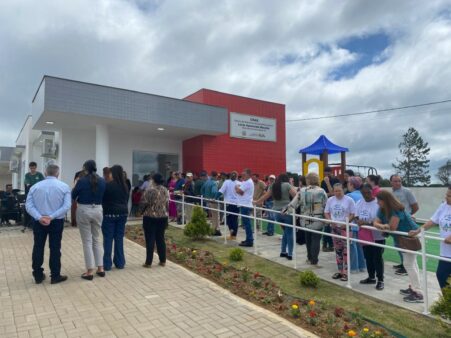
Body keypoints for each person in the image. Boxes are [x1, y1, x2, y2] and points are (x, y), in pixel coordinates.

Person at [374, 190, 423, 303]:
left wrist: (384, 226)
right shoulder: (382, 209)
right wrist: (383, 226)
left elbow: (392, 227)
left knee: (409, 264)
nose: (377, 203)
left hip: (411, 236)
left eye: (379, 201)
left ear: (385, 200)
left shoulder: (397, 209)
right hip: (402, 238)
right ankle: (413, 288)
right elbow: (375, 222)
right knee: (411, 264)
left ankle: (419, 293)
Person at [25, 164, 71, 284]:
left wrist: (39, 217)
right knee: (55, 248)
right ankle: (55, 276)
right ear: (57, 173)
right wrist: (51, 217)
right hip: (56, 221)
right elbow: (66, 206)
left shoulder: (35, 187)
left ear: (45, 173)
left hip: (39, 222)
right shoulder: (64, 187)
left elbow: (28, 205)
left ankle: (38, 275)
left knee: (38, 247)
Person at [409, 186, 451, 290]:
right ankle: (447, 303)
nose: (446, 197)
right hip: (446, 252)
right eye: (446, 194)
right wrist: (418, 230)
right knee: (441, 276)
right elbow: (432, 221)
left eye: (450, 196)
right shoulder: (444, 206)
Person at [72, 160, 106, 280]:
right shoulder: (102, 180)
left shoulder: (81, 181)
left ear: (85, 168)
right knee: (97, 239)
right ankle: (101, 268)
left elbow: (73, 195)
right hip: (98, 209)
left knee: (87, 241)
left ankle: (89, 271)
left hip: (84, 210)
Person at [285, 172, 327, 266]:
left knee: (308, 239)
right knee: (316, 239)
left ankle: (309, 257)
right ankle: (314, 260)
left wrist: (285, 211)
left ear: (308, 180)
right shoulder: (322, 191)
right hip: (318, 219)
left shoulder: (302, 191)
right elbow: (326, 205)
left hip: (305, 219)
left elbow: (294, 203)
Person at [256, 174, 297, 259]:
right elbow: (296, 196)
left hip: (276, 212)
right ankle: (290, 254)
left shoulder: (272, 185)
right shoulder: (287, 185)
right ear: (286, 179)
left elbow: (266, 196)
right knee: (289, 232)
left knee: (285, 231)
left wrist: (257, 202)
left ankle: (283, 251)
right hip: (287, 211)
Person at [354, 184, 385, 290]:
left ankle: (380, 280)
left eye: (368, 192)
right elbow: (356, 215)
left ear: (372, 191)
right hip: (365, 235)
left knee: (377, 258)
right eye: (364, 193)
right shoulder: (359, 202)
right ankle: (371, 277)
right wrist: (358, 221)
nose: (366, 195)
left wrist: (367, 223)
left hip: (377, 236)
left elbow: (382, 220)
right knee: (368, 257)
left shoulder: (378, 203)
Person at [324, 183, 356, 282]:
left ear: (343, 190)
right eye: (335, 191)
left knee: (346, 251)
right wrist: (330, 221)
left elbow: (353, 213)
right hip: (334, 228)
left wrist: (346, 222)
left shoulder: (349, 200)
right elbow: (326, 212)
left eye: (339, 191)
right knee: (338, 251)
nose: (337, 193)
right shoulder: (330, 200)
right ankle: (340, 270)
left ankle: (345, 272)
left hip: (345, 228)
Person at [102, 165, 130, 271]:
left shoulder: (108, 185)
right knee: (119, 238)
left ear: (112, 173)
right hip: (122, 214)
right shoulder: (125, 186)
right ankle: (120, 262)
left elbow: (103, 199)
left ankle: (107, 264)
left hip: (109, 214)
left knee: (108, 239)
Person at [391, 174, 419, 276]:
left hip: (405, 225)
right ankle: (403, 264)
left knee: (405, 245)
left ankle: (407, 267)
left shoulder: (407, 191)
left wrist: (408, 216)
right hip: (396, 223)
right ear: (391, 182)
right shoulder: (391, 193)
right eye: (395, 181)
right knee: (397, 244)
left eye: (399, 181)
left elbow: (415, 206)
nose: (398, 183)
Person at [140, 173, 169, 268]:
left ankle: (148, 262)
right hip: (163, 217)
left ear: (154, 180)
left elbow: (144, 203)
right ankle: (163, 260)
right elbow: (167, 203)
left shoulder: (150, 190)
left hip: (150, 217)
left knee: (150, 239)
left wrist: (141, 212)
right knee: (160, 238)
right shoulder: (165, 190)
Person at [347, 176, 366, 274]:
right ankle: (362, 266)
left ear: (352, 185)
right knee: (359, 246)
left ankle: (353, 267)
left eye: (348, 183)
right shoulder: (363, 195)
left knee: (352, 245)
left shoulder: (349, 196)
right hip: (361, 224)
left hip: (353, 224)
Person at [321, 167, 340, 252]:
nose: (327, 176)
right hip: (327, 204)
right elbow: (324, 193)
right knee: (328, 225)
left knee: (332, 225)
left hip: (335, 204)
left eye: (328, 174)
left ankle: (331, 244)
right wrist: (330, 192)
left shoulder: (336, 180)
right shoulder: (322, 181)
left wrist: (328, 183)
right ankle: (325, 244)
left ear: (331, 173)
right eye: (325, 174)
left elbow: (332, 193)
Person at [236, 169, 255, 247]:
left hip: (245, 205)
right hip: (245, 204)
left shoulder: (248, 182)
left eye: (244, 174)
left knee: (247, 224)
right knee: (246, 224)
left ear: (248, 174)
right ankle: (248, 239)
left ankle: (249, 240)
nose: (242, 176)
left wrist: (236, 187)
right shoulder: (247, 182)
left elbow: (240, 192)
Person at [217, 171, 239, 239]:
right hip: (236, 204)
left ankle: (232, 234)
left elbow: (220, 191)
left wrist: (214, 198)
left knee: (229, 219)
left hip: (229, 204)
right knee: (234, 219)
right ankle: (233, 235)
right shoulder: (239, 183)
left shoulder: (226, 182)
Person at [24, 162, 45, 229]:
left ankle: (40, 221)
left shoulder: (39, 174)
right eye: (31, 168)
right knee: (32, 208)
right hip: (31, 193)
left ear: (36, 167)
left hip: (39, 194)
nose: (32, 169)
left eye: (34, 168)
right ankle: (31, 224)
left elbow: (43, 183)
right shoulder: (27, 175)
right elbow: (27, 184)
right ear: (29, 168)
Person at [201, 171, 220, 235]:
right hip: (213, 201)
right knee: (215, 216)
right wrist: (216, 197)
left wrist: (205, 197)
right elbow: (214, 192)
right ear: (216, 176)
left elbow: (202, 190)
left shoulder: (207, 182)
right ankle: (215, 229)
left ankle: (214, 228)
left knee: (212, 215)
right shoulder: (214, 183)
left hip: (207, 200)